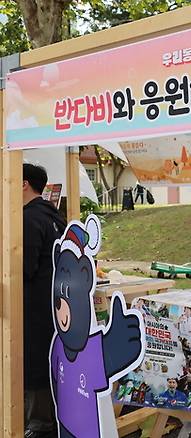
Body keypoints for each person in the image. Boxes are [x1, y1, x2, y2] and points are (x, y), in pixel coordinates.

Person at [23, 163, 66, 438]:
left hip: (32, 307)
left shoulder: (27, 219)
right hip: (54, 305)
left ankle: (38, 425)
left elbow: (21, 269)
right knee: (47, 360)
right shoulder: (54, 216)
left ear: (23, 184)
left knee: (33, 362)